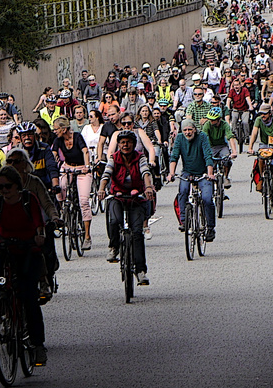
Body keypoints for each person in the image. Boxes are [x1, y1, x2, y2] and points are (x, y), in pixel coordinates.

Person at [0, 166, 49, 365]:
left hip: (27, 250)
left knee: (29, 298)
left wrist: (39, 236)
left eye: (7, 186)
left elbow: (38, 222)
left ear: (17, 186)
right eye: (0, 187)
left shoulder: (28, 200)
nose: (3, 190)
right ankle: (2, 309)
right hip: (6, 248)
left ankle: (38, 345)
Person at [98, 133, 154, 285]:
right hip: (118, 195)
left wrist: (148, 187)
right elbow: (106, 174)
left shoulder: (140, 157)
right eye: (122, 142)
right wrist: (102, 189)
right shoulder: (114, 158)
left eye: (128, 142)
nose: (125, 145)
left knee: (137, 232)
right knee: (115, 220)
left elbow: (145, 173)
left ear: (133, 144)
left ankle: (141, 271)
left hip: (136, 197)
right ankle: (114, 247)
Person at [167, 117, 217, 243]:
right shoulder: (179, 138)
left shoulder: (202, 137)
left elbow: (208, 155)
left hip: (203, 173)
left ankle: (210, 227)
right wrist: (171, 173)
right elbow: (174, 156)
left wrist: (210, 173)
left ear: (195, 129)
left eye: (190, 129)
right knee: (183, 191)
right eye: (185, 130)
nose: (188, 132)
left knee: (207, 198)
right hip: (187, 172)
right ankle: (184, 221)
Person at [51, 119, 95, 250]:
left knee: (83, 201)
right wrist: (55, 166)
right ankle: (63, 209)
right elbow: (53, 154)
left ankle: (87, 236)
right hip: (68, 168)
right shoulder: (58, 140)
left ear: (64, 129)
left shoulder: (77, 136)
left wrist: (87, 166)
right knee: (60, 187)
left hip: (81, 169)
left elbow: (85, 151)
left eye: (56, 129)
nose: (54, 131)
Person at [248, 102, 273, 201]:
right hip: (265, 145)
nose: (263, 116)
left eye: (265, 113)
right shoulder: (258, 120)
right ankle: (262, 177)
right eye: (261, 113)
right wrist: (250, 147)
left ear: (270, 113)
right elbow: (254, 133)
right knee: (260, 158)